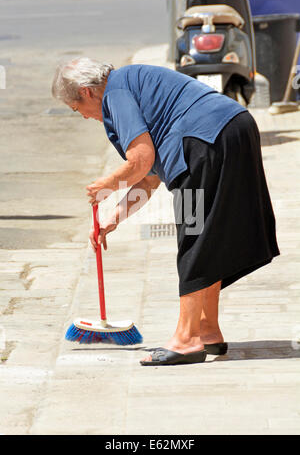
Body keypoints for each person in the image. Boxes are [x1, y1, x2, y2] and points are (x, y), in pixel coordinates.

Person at [52, 57, 280, 366]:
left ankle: (186, 340)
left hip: (204, 143)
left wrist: (106, 183)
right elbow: (148, 179)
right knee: (207, 237)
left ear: (87, 92)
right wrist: (112, 218)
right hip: (233, 128)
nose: (84, 117)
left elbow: (141, 160)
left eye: (77, 109)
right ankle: (207, 330)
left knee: (193, 236)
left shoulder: (115, 95)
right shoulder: (132, 82)